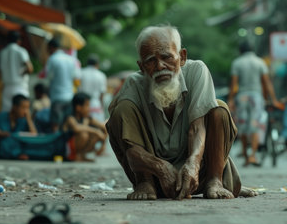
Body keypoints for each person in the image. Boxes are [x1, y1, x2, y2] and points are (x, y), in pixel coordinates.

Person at [106, 25, 257, 200]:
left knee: (219, 108)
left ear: (182, 57)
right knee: (119, 111)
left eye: (166, 57)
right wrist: (160, 167)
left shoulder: (197, 71)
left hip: (198, 173)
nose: (160, 66)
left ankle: (215, 181)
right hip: (156, 179)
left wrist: (193, 163)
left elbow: (197, 128)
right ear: (141, 66)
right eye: (150, 60)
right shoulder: (134, 84)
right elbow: (130, 150)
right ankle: (144, 183)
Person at [227, 41, 280, 167]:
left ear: (241, 50)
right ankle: (253, 155)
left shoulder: (237, 62)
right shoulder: (260, 62)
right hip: (256, 97)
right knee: (255, 125)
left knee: (243, 126)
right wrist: (273, 99)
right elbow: (266, 83)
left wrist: (230, 100)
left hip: (242, 96)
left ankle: (246, 156)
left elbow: (234, 84)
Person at [45, 38, 80, 132]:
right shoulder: (70, 59)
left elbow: (49, 78)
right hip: (69, 96)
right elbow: (75, 77)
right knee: (67, 124)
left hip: (57, 97)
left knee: (55, 125)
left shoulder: (52, 59)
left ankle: (56, 145)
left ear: (51, 48)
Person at [62, 92, 107, 161]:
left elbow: (103, 126)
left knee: (96, 134)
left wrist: (103, 143)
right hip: (66, 149)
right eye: (87, 105)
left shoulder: (87, 118)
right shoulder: (70, 117)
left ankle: (82, 155)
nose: (89, 108)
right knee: (84, 134)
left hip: (77, 145)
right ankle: (75, 156)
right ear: (78, 108)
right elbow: (76, 128)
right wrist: (96, 131)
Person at [0, 94, 37, 160]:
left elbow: (34, 135)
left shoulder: (24, 121)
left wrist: (29, 119)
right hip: (3, 152)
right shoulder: (1, 117)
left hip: (20, 152)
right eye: (23, 108)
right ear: (14, 107)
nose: (25, 111)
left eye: (27, 108)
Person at [0, 31, 34, 112]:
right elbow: (30, 68)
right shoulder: (20, 51)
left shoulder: (2, 52)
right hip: (19, 87)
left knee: (7, 113)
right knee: (23, 112)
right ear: (19, 41)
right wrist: (22, 73)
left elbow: (0, 71)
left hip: (7, 87)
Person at [79, 54, 107, 122]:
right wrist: (102, 107)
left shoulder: (81, 73)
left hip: (82, 105)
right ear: (97, 64)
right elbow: (102, 94)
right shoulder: (101, 75)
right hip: (96, 105)